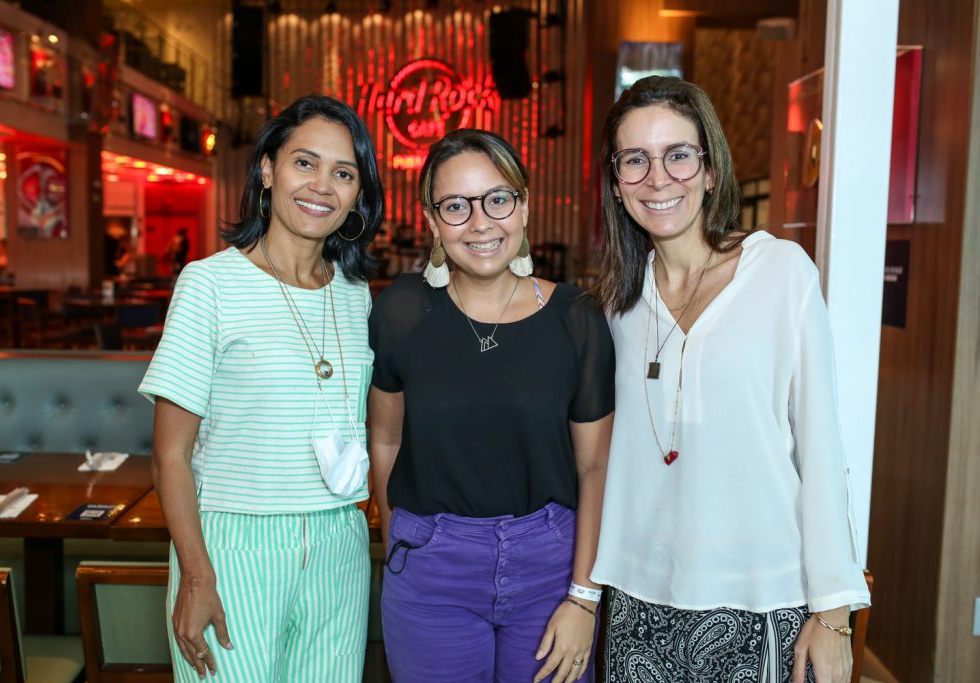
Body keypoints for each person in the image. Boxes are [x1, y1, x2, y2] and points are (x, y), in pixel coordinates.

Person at [589, 76, 871, 683]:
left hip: (762, 598)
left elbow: (822, 451)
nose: (657, 178)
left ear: (711, 170)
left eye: (678, 155)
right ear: (615, 183)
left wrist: (834, 613)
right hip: (639, 600)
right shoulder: (616, 304)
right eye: (634, 160)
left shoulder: (780, 274)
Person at [138, 94, 384, 682]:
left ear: (356, 195)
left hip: (339, 543)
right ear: (268, 170)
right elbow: (169, 454)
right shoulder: (209, 284)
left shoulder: (355, 295)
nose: (322, 185)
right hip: (233, 543)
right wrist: (196, 576)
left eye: (343, 173)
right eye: (305, 163)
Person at [368, 129, 615, 683]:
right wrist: (400, 536)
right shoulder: (402, 310)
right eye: (456, 206)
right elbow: (384, 438)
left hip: (551, 568)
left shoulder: (577, 317)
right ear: (432, 222)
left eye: (498, 199)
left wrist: (583, 597)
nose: (480, 223)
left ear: (523, 207)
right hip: (432, 568)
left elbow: (595, 467)